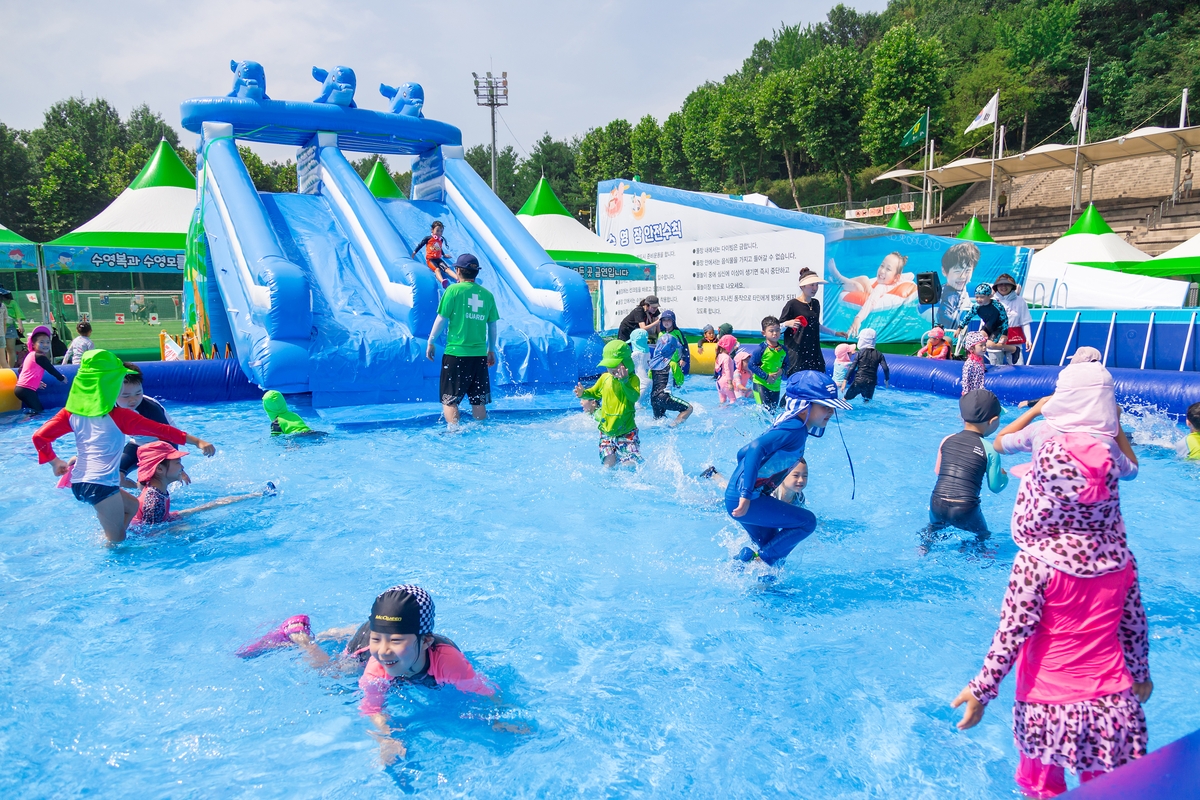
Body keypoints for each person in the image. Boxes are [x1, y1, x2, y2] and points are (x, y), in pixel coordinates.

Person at [952, 387, 1149, 797]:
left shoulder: (1037, 561)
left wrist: (981, 689)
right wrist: (1141, 676)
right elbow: (1134, 626)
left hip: (1047, 706)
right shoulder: (1120, 558)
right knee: (1113, 790)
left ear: (1041, 497)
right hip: (1115, 706)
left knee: (1043, 791)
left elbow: (1012, 633)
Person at [236, 585, 514, 765]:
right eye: (381, 639)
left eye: (395, 640)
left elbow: (487, 693)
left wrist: (499, 720)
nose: (384, 651)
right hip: (362, 644)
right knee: (332, 675)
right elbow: (370, 706)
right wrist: (385, 736)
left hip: (380, 634)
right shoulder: (377, 659)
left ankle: (348, 629)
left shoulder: (449, 663)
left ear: (426, 642)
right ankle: (300, 635)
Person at [32, 350, 216, 543]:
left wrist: (54, 462)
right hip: (99, 485)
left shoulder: (69, 413)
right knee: (117, 542)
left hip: (80, 483)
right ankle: (110, 541)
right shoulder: (120, 416)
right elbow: (163, 431)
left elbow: (39, 437)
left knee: (133, 506)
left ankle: (109, 531)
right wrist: (197, 441)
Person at [725, 371, 851, 566]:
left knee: (775, 550)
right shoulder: (795, 429)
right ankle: (758, 560)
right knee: (807, 522)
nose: (831, 412)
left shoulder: (792, 426)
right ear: (805, 405)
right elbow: (754, 448)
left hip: (743, 495)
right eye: (826, 406)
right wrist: (746, 493)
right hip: (748, 498)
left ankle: (742, 567)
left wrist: (745, 483)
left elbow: (742, 454)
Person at [924, 390, 1008, 547]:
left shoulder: (947, 440)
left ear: (962, 418)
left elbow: (938, 472)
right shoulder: (990, 449)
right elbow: (996, 487)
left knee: (934, 529)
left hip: (937, 501)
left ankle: (923, 548)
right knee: (982, 535)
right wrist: (1004, 477)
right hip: (966, 508)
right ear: (993, 421)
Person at [426, 254, 499, 426]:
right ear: (476, 273)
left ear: (458, 271)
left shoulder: (453, 291)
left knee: (449, 400)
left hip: (456, 354)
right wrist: (491, 350)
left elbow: (441, 319)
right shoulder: (487, 295)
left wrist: (431, 341)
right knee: (478, 401)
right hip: (479, 356)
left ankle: (454, 433)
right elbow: (493, 326)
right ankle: (482, 429)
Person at [130, 440, 274, 527]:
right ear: (160, 469)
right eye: (178, 462)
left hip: (166, 518)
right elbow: (151, 537)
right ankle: (259, 494)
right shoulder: (154, 501)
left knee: (212, 505)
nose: (182, 467)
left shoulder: (156, 489)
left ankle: (259, 494)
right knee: (207, 525)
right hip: (157, 527)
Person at [575, 340, 643, 466]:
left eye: (615, 365)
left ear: (626, 363)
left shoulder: (633, 380)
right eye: (609, 365)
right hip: (606, 432)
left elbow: (633, 397)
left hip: (627, 432)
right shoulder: (605, 378)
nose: (612, 369)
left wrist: (624, 381)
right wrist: (583, 393)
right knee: (608, 465)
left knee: (630, 464)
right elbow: (594, 393)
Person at [112, 364, 177, 487]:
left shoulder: (150, 410)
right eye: (126, 396)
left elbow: (171, 437)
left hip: (162, 445)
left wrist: (175, 464)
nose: (133, 400)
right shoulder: (109, 408)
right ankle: (139, 493)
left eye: (138, 393)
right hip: (137, 443)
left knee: (148, 481)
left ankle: (148, 490)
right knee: (116, 477)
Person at [826, 254, 917, 339]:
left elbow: (870, 301)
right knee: (864, 279)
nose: (882, 271)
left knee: (858, 287)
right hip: (872, 289)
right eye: (882, 265)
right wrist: (896, 277)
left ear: (897, 277)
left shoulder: (881, 287)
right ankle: (838, 279)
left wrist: (858, 318)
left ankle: (838, 277)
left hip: (869, 294)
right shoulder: (896, 279)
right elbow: (911, 275)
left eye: (888, 269)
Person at [779, 268, 843, 375]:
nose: (815, 288)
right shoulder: (792, 304)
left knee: (818, 379)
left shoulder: (816, 303)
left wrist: (835, 333)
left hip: (814, 351)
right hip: (796, 352)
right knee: (796, 384)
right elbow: (778, 328)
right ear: (802, 286)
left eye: (816, 285)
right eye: (812, 285)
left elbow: (816, 325)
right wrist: (787, 323)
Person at [703, 457, 808, 508]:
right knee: (731, 489)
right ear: (783, 476)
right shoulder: (771, 493)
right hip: (749, 496)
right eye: (796, 475)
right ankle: (714, 475)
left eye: (805, 476)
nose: (801, 480)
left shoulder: (799, 496)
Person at [14, 325, 67, 414]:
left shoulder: (31, 355)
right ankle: (27, 424)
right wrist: (61, 378)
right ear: (33, 345)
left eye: (48, 342)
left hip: (21, 388)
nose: (46, 345)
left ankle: (26, 420)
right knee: (38, 412)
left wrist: (35, 381)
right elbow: (51, 369)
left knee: (35, 410)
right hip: (27, 390)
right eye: (42, 342)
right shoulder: (40, 357)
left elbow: (20, 370)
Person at [927, 242, 981, 329]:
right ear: (944, 271)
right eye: (957, 271)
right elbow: (944, 317)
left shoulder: (954, 289)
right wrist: (960, 327)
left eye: (967, 271)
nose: (962, 276)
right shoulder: (950, 295)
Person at [647, 328, 693, 425]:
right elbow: (680, 382)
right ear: (672, 349)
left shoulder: (653, 364)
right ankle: (672, 426)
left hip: (654, 398)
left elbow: (650, 377)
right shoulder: (672, 364)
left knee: (659, 422)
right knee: (688, 408)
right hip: (665, 396)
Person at [957, 283, 1009, 365]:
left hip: (999, 328)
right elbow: (968, 317)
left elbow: (1005, 320)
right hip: (988, 327)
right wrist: (960, 327)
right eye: (977, 297)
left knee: (990, 345)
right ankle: (981, 365)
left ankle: (1012, 349)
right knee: (978, 343)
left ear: (989, 296)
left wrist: (1004, 334)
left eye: (982, 297)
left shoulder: (998, 306)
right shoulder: (976, 306)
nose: (979, 299)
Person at [747, 316, 786, 411]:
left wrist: (781, 371)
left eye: (777, 330)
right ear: (763, 333)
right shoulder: (761, 349)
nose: (775, 333)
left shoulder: (783, 350)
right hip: (760, 383)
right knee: (763, 410)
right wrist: (766, 376)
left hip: (775, 386)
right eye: (771, 331)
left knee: (772, 411)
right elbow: (751, 365)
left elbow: (787, 365)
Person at [993, 274, 1033, 364]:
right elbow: (985, 322)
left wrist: (1028, 339)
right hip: (995, 338)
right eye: (1000, 284)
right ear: (996, 287)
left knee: (1018, 367)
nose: (1003, 287)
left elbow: (1025, 321)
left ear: (1012, 286)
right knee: (995, 368)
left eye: (1007, 284)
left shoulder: (1020, 301)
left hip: (1014, 338)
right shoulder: (992, 301)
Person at [843, 328, 888, 403]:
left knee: (845, 399)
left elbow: (852, 367)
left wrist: (845, 380)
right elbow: (885, 368)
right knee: (867, 402)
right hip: (871, 382)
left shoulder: (860, 353)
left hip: (858, 381)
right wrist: (887, 379)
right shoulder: (879, 354)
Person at [411, 221, 456, 288]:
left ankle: (458, 278)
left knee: (447, 269)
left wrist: (444, 255)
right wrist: (414, 252)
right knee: (437, 269)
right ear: (432, 230)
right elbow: (420, 245)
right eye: (437, 230)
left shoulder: (441, 240)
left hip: (438, 259)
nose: (439, 233)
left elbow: (440, 248)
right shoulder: (428, 238)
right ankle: (442, 281)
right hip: (430, 260)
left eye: (441, 231)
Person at [658, 310, 690, 376]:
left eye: (668, 320)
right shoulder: (661, 334)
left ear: (673, 321)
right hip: (664, 362)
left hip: (677, 361)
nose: (666, 322)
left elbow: (685, 346)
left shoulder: (677, 333)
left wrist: (683, 359)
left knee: (676, 382)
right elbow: (658, 349)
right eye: (664, 320)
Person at [628, 328, 652, 405]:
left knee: (637, 404)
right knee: (644, 405)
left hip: (642, 383)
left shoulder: (635, 354)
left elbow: (628, 367)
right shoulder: (647, 352)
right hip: (649, 382)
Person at [714, 334, 740, 404]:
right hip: (726, 382)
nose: (733, 348)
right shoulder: (727, 358)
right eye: (732, 346)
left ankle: (720, 412)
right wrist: (730, 383)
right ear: (728, 346)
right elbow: (727, 370)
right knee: (733, 400)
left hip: (719, 381)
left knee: (722, 401)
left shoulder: (719, 355)